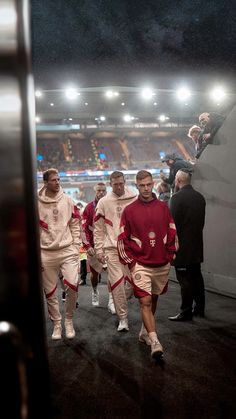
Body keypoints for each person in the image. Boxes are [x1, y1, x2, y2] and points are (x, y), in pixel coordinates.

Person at [117, 170, 177, 359]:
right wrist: (131, 263)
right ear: (137, 186)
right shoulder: (129, 210)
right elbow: (122, 239)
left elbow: (173, 231)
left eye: (148, 184)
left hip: (161, 263)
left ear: (153, 184)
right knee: (145, 301)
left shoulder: (163, 207)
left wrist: (170, 256)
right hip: (140, 264)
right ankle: (155, 341)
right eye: (142, 185)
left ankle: (144, 332)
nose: (145, 188)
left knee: (154, 299)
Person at [38, 168, 81, 340]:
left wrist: (76, 246)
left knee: (72, 285)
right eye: (54, 180)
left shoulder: (68, 200)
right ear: (46, 182)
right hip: (46, 252)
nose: (57, 182)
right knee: (49, 292)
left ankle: (68, 320)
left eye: (58, 179)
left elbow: (75, 223)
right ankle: (57, 323)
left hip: (67, 250)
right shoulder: (36, 201)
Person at [93, 171, 137, 332]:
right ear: (110, 184)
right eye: (115, 184)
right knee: (117, 284)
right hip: (112, 249)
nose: (119, 186)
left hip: (131, 249)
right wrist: (99, 249)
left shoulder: (134, 197)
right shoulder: (104, 202)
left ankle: (119, 302)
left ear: (125, 182)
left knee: (135, 283)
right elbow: (98, 229)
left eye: (121, 183)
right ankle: (123, 318)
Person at [169, 169, 206, 321]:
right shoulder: (200, 198)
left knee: (185, 281)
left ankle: (185, 312)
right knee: (197, 277)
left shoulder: (176, 198)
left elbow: (172, 224)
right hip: (197, 245)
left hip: (182, 248)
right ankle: (199, 309)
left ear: (178, 181)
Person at [82, 182, 114, 309]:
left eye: (103, 190)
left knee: (112, 273)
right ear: (95, 192)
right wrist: (87, 246)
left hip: (109, 245)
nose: (101, 193)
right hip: (94, 246)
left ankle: (112, 299)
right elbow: (84, 229)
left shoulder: (109, 205)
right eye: (99, 191)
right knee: (94, 274)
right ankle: (95, 291)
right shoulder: (89, 208)